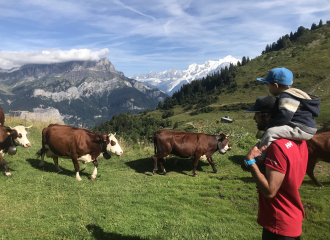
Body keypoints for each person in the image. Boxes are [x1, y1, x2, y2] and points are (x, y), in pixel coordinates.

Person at [243, 96, 308, 240]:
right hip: (292, 216)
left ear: (268, 116)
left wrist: (250, 161)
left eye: (257, 114)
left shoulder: (277, 147)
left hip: (279, 222)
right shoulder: (300, 141)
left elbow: (270, 191)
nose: (254, 118)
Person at [250, 67, 320, 163]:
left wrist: (270, 125)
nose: (268, 88)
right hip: (307, 127)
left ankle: (259, 159)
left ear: (275, 85)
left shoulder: (286, 96)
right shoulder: (296, 93)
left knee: (271, 132)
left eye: (268, 85)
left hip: (301, 128)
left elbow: (285, 116)